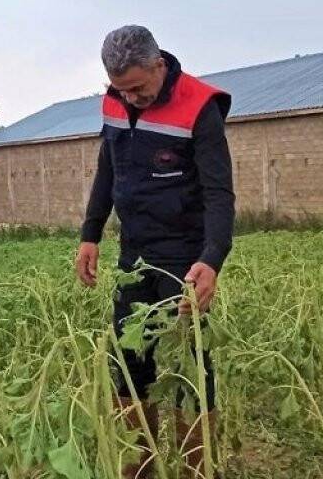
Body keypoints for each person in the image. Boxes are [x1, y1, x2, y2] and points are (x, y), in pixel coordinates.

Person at [74, 25, 235, 478]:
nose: (132, 100)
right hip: (134, 255)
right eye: (122, 91)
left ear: (159, 66)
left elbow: (220, 194)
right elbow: (107, 169)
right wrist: (91, 233)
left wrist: (212, 257)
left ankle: (196, 470)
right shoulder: (116, 99)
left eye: (139, 89)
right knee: (127, 362)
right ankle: (136, 467)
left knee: (189, 366)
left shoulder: (199, 106)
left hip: (186, 256)